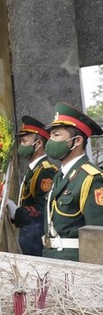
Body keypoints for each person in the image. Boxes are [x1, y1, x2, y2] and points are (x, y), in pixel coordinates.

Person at [42, 102, 103, 261]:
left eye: (56, 135)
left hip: (76, 263)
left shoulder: (91, 178)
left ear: (77, 141)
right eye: (50, 136)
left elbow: (98, 236)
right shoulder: (59, 176)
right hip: (51, 258)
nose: (51, 140)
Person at [5, 116, 57, 257]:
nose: (21, 145)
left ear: (38, 143)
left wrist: (16, 212)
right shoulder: (32, 170)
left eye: (24, 141)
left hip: (37, 241)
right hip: (28, 238)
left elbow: (42, 208)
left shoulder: (46, 170)